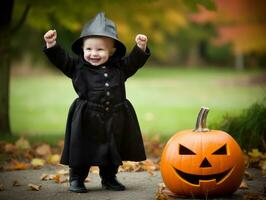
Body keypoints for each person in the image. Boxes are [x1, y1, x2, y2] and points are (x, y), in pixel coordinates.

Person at [43, 12, 150, 193]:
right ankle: (77, 178)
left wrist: (140, 47)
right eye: (89, 49)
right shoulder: (77, 68)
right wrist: (52, 45)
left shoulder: (119, 68)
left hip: (114, 116)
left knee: (111, 149)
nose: (93, 53)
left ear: (112, 51)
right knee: (82, 150)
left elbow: (133, 63)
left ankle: (109, 178)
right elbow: (62, 61)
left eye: (100, 50)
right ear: (82, 49)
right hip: (87, 117)